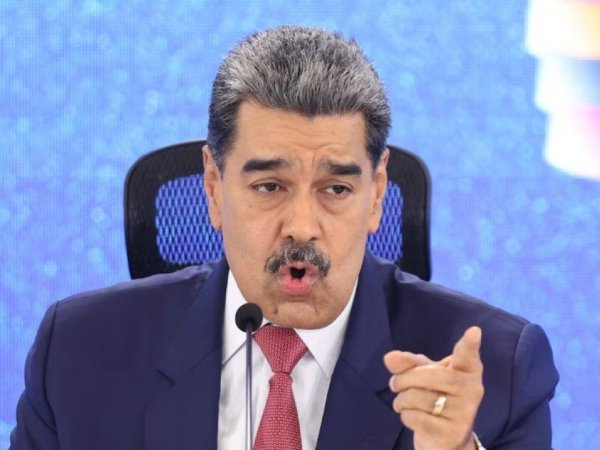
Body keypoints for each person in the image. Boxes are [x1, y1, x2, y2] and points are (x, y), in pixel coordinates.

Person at [10, 26, 558, 450]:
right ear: (213, 187)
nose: (301, 224)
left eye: (336, 189)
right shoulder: (79, 352)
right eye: (270, 186)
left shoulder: (496, 373)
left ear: (376, 194)